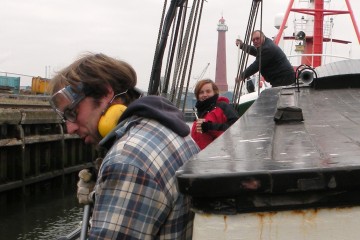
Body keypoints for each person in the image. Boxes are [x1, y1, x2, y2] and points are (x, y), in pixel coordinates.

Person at [49, 53, 200, 239]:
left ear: (105, 93)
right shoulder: (168, 129)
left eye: (72, 112)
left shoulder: (126, 160)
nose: (70, 128)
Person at [191, 79, 239, 150]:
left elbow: (236, 129)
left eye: (208, 91)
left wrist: (209, 126)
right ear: (197, 95)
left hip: (219, 155)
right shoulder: (199, 113)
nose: (205, 95)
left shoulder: (223, 107)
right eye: (201, 92)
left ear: (214, 92)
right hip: (201, 157)